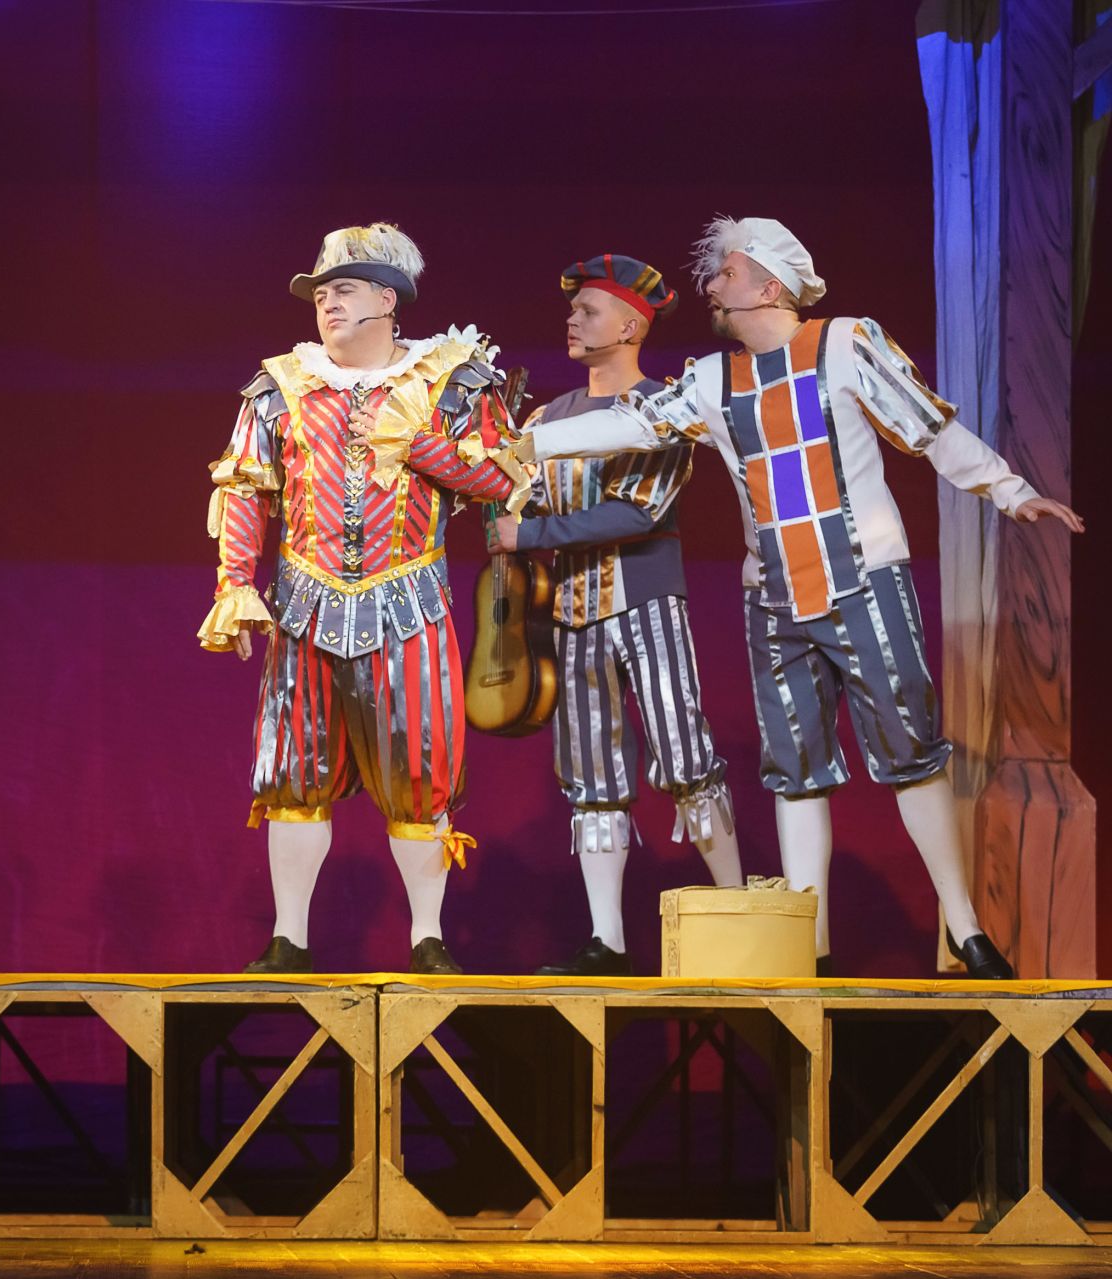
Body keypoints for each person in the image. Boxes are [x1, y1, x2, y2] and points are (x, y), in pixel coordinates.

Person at [512, 216, 1085, 978]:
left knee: (912, 754)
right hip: (773, 599)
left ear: (767, 285)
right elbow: (633, 424)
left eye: (725, 272)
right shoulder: (713, 380)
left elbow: (928, 428)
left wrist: (1010, 491)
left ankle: (965, 927)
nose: (710, 285)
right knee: (797, 768)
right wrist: (527, 442)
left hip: (866, 580)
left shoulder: (845, 345)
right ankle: (807, 949)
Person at [202, 222, 525, 976]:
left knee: (421, 768)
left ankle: (426, 936)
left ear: (387, 299)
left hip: (408, 604)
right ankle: (289, 937)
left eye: (343, 290)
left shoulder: (452, 382)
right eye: (321, 294)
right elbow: (245, 487)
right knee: (293, 772)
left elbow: (506, 481)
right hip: (304, 606)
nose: (328, 304)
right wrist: (235, 585)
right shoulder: (281, 387)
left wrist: (422, 446)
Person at [490, 254, 742, 977]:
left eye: (589, 310)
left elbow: (638, 512)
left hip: (646, 601)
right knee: (590, 772)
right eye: (573, 310)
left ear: (631, 326)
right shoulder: (547, 417)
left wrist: (529, 533)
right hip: (572, 614)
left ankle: (738, 917)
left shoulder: (666, 407)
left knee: (683, 752)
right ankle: (608, 940)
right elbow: (510, 502)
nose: (572, 319)